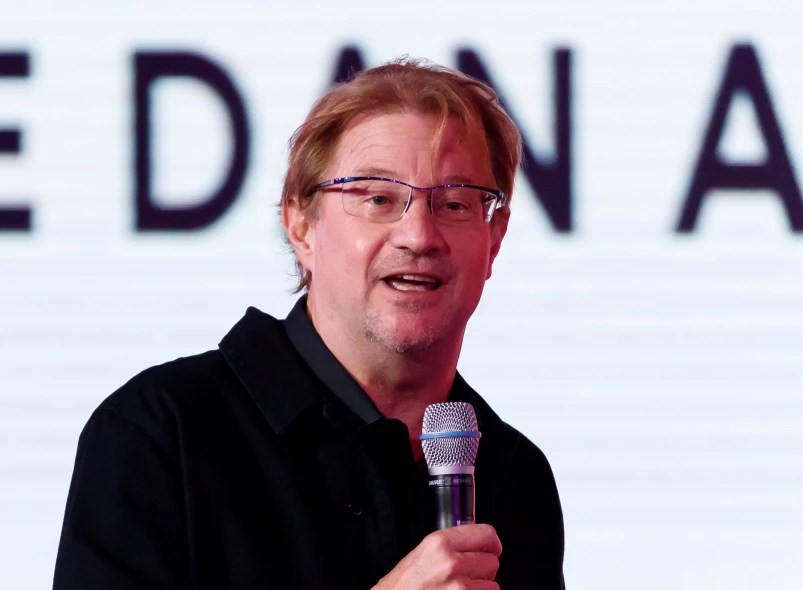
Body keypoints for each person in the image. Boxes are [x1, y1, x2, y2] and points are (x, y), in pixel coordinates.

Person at [53, 57, 565, 589]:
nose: (418, 236)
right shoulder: (160, 432)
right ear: (301, 226)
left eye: (455, 204)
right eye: (378, 198)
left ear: (495, 238)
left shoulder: (515, 474)